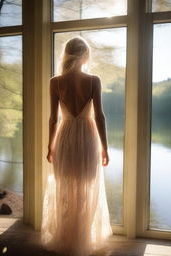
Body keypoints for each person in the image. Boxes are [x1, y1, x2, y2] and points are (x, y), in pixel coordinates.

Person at [40, 36, 113, 256]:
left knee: (65, 187)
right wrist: (105, 147)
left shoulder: (56, 81)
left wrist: (50, 147)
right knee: (86, 187)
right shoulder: (93, 80)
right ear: (85, 55)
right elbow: (99, 116)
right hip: (88, 137)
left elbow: (53, 119)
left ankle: (66, 237)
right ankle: (80, 239)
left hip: (64, 137)